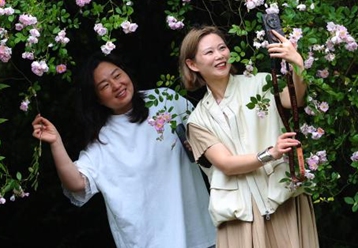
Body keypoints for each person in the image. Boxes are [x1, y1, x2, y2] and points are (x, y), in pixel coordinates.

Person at [31, 52, 216, 248]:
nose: (116, 85)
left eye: (117, 75)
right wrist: (56, 142)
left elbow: (207, 138)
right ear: (97, 98)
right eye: (104, 85)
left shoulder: (165, 100)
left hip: (199, 234)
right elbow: (76, 183)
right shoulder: (103, 141)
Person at [178, 25, 319, 248]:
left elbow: (295, 100)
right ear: (192, 64)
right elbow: (226, 164)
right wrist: (271, 153)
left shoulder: (260, 82)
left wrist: (297, 65)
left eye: (222, 48)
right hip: (240, 217)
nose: (219, 56)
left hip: (283, 199)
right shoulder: (198, 120)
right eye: (209, 52)